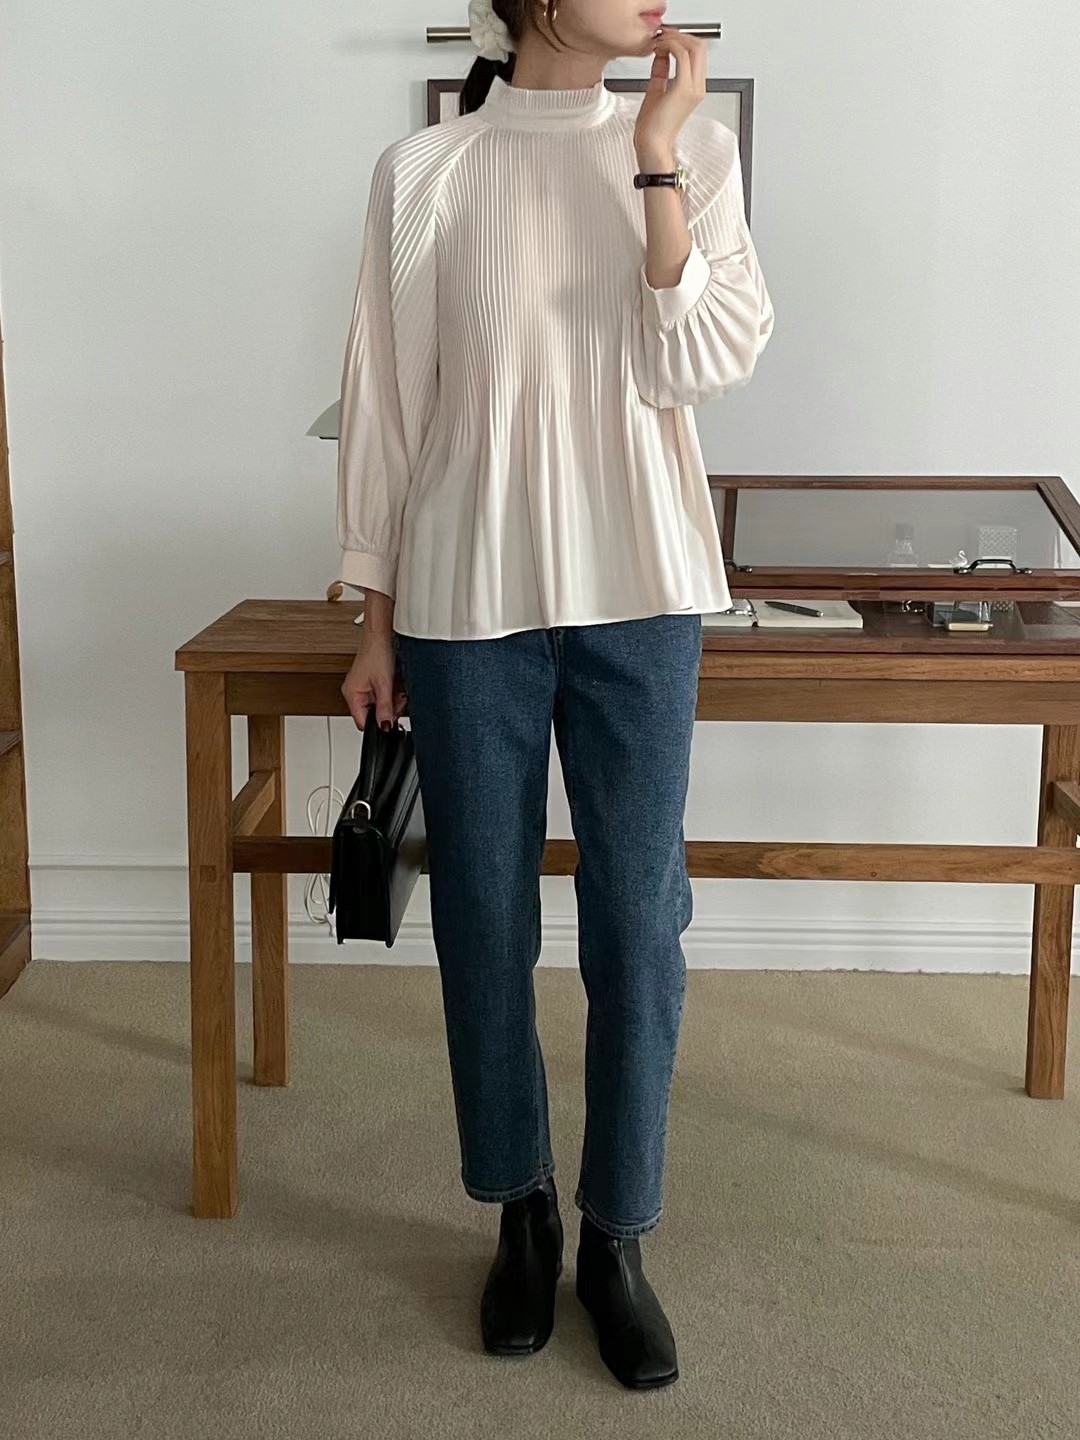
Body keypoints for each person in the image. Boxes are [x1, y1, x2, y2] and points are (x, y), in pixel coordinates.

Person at [336, 0, 774, 1391]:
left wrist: (655, 158)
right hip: (466, 600)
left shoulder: (690, 151)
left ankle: (616, 1234)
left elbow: (705, 358)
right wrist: (374, 617)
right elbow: (388, 406)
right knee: (483, 914)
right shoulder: (426, 174)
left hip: (643, 593)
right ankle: (518, 1208)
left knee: (639, 923)